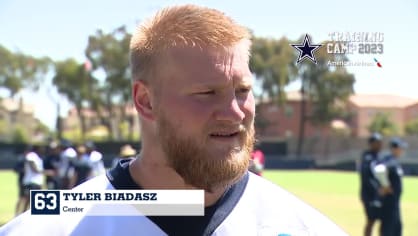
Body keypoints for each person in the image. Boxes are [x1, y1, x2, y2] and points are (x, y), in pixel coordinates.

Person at [0, 5, 346, 235]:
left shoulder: (305, 227)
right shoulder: (50, 228)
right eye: (207, 93)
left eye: (242, 90)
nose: (235, 112)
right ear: (145, 101)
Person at [374, 137, 406, 236]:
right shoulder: (389, 160)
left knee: (397, 228)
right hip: (389, 202)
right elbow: (379, 170)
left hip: (395, 202)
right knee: (388, 229)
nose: (402, 151)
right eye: (401, 148)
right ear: (394, 148)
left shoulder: (394, 161)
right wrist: (386, 185)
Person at [359, 132, 383, 236]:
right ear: (371, 143)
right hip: (369, 195)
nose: (380, 145)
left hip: (378, 194)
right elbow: (366, 177)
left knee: (380, 220)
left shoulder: (378, 156)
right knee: (371, 220)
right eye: (377, 142)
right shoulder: (367, 157)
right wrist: (376, 190)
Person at [20, 145, 45, 214]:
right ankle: (23, 217)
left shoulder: (38, 157)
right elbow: (34, 169)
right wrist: (48, 172)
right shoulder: (31, 155)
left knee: (36, 203)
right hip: (31, 182)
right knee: (29, 201)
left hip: (37, 182)